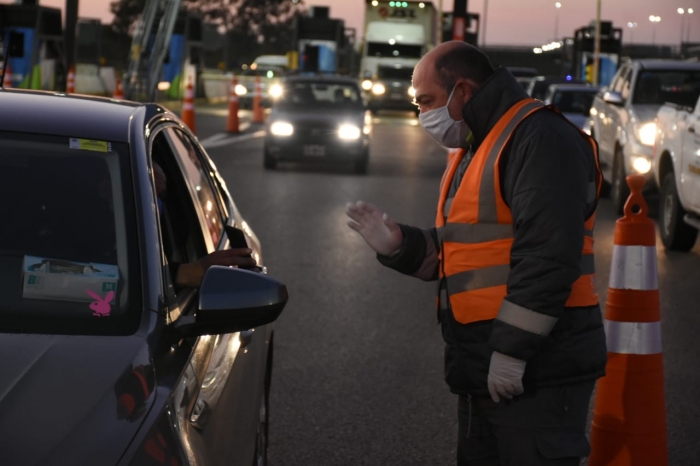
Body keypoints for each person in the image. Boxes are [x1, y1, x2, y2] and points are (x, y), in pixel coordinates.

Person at [345, 41, 607, 466]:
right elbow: (471, 250)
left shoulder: (539, 138)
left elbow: (547, 254)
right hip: (487, 365)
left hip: (538, 368)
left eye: (426, 101)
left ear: (463, 91)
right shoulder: (480, 143)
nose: (421, 114)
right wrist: (401, 246)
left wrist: (512, 351)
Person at [152, 162, 256, 288]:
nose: (156, 208)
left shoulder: (172, 234)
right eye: (150, 199)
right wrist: (182, 274)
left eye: (160, 200)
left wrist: (184, 273)